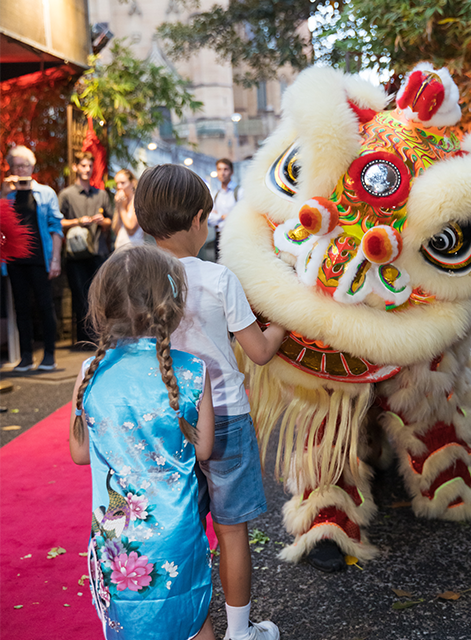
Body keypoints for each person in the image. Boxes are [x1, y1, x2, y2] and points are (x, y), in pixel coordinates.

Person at [135, 164, 285, 640]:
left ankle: (197, 629)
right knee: (232, 532)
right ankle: (240, 633)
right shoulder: (220, 279)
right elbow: (259, 353)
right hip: (226, 420)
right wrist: (282, 323)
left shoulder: (137, 281)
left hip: (167, 423)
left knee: (182, 532)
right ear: (199, 219)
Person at [69, 244, 216, 640]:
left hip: (117, 541)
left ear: (104, 307)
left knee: (128, 623)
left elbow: (80, 454)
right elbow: (204, 451)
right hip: (179, 530)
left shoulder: (89, 371)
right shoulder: (191, 371)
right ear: (172, 305)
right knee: (196, 616)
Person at [1, 146, 63, 371]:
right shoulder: (7, 194)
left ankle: (49, 355)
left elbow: (56, 228)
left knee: (45, 306)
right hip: (14, 261)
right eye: (16, 165)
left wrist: (55, 259)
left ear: (32, 166)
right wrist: (3, 193)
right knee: (21, 308)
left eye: (24, 165)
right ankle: (26, 356)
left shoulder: (46, 193)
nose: (20, 169)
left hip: (40, 259)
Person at [59, 152, 112, 347]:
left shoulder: (102, 195)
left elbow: (110, 222)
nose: (87, 170)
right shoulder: (66, 195)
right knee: (80, 296)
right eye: (83, 166)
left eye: (89, 166)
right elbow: (57, 223)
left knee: (99, 296)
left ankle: (101, 337)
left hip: (98, 251)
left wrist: (101, 221)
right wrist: (78, 222)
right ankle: (84, 340)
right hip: (76, 253)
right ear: (75, 168)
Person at [199, 158, 242, 262]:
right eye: (219, 169)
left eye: (225, 169)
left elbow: (241, 216)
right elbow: (209, 219)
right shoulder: (215, 194)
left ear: (231, 172)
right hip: (219, 237)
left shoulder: (239, 192)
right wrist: (224, 216)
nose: (222, 173)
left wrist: (218, 216)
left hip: (236, 237)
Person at [113, 169, 144, 249]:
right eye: (117, 183)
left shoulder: (137, 202)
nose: (119, 186)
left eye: (122, 183)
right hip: (120, 249)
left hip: (134, 250)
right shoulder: (122, 202)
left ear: (132, 183)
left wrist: (122, 208)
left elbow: (131, 229)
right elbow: (116, 230)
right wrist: (118, 206)